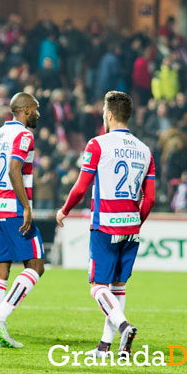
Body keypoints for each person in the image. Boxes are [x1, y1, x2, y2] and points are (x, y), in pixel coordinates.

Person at [56, 91, 155, 359]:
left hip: (105, 225)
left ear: (109, 114)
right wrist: (136, 222)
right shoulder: (145, 150)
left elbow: (81, 187)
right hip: (130, 227)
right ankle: (106, 346)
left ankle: (124, 326)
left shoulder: (97, 144)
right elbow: (151, 197)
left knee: (97, 286)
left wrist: (64, 210)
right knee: (118, 286)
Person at [0, 92, 44, 348]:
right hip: (13, 207)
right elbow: (13, 169)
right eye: (36, 109)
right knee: (36, 266)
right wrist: (26, 206)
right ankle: (1, 316)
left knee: (0, 268)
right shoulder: (24, 135)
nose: (38, 114)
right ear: (26, 110)